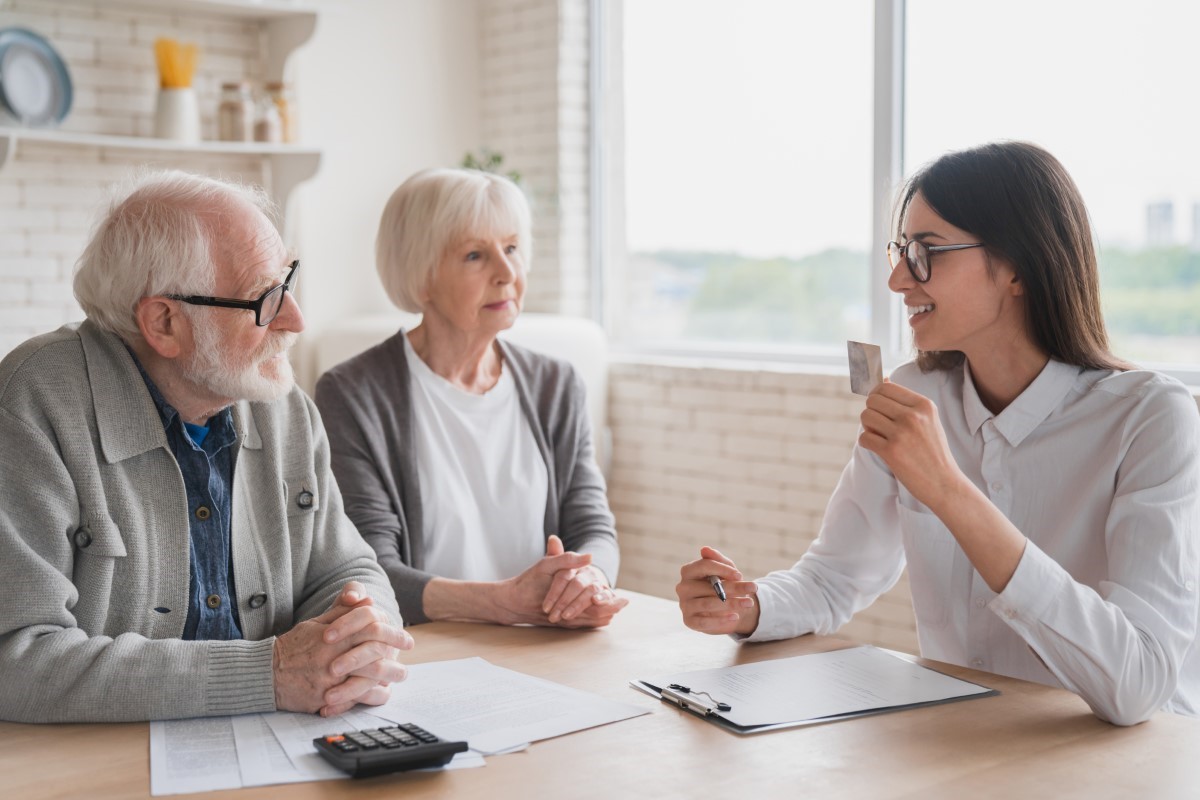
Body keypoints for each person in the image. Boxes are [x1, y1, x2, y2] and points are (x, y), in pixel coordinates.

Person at [676, 141, 1200, 726]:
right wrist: (750, 607)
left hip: (1130, 761)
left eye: (926, 252)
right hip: (964, 745)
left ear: (1019, 268)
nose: (899, 279)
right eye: (901, 250)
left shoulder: (1152, 418)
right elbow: (834, 578)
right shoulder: (914, 395)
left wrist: (949, 490)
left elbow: (1140, 686)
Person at [0, 171, 411, 723]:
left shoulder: (280, 402)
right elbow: (16, 657)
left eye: (287, 282)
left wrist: (363, 639)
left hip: (281, 746)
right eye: (265, 297)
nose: (295, 318)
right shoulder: (35, 402)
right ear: (164, 322)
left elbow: (345, 569)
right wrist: (269, 674)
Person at [315, 168, 625, 628]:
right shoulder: (353, 394)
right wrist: (499, 602)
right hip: (429, 653)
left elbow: (592, 525)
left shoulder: (556, 385)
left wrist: (589, 578)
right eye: (476, 255)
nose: (507, 273)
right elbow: (369, 568)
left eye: (513, 248)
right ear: (422, 277)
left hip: (545, 643)